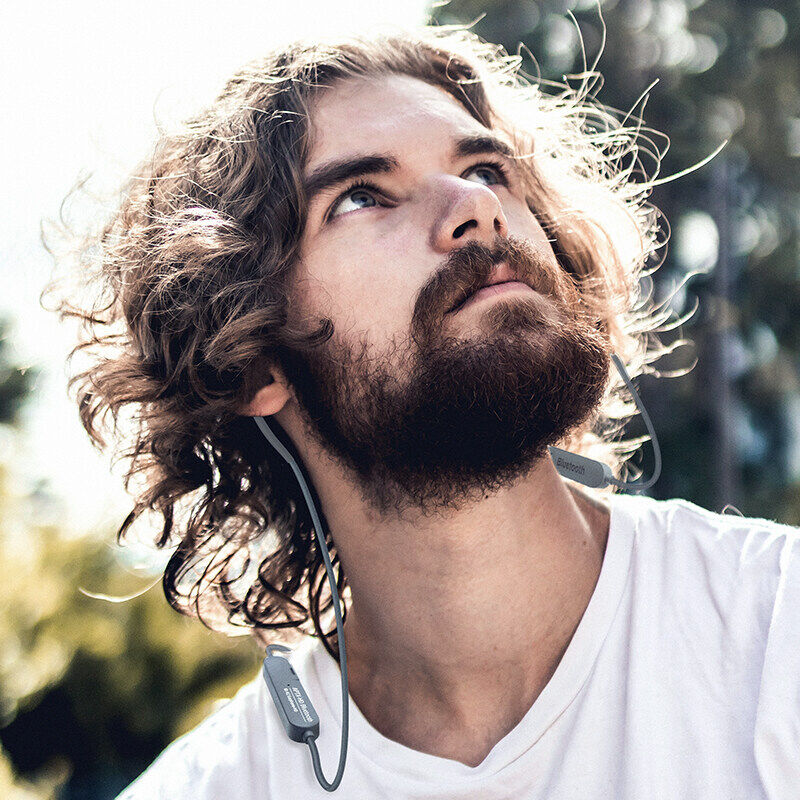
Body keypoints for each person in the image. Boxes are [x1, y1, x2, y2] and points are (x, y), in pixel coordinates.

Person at [50, 23, 799, 799]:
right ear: (253, 362)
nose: (477, 204)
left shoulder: (776, 639)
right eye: (361, 197)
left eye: (486, 169)